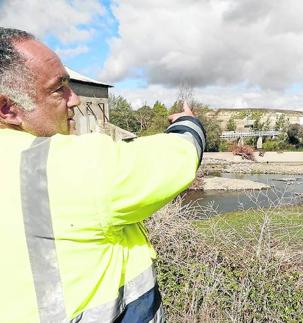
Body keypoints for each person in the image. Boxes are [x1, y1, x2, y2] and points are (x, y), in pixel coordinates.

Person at [0, 27, 205, 322]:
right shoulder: (70, 165)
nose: (75, 101)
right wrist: (188, 123)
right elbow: (178, 158)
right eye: (59, 89)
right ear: (8, 108)